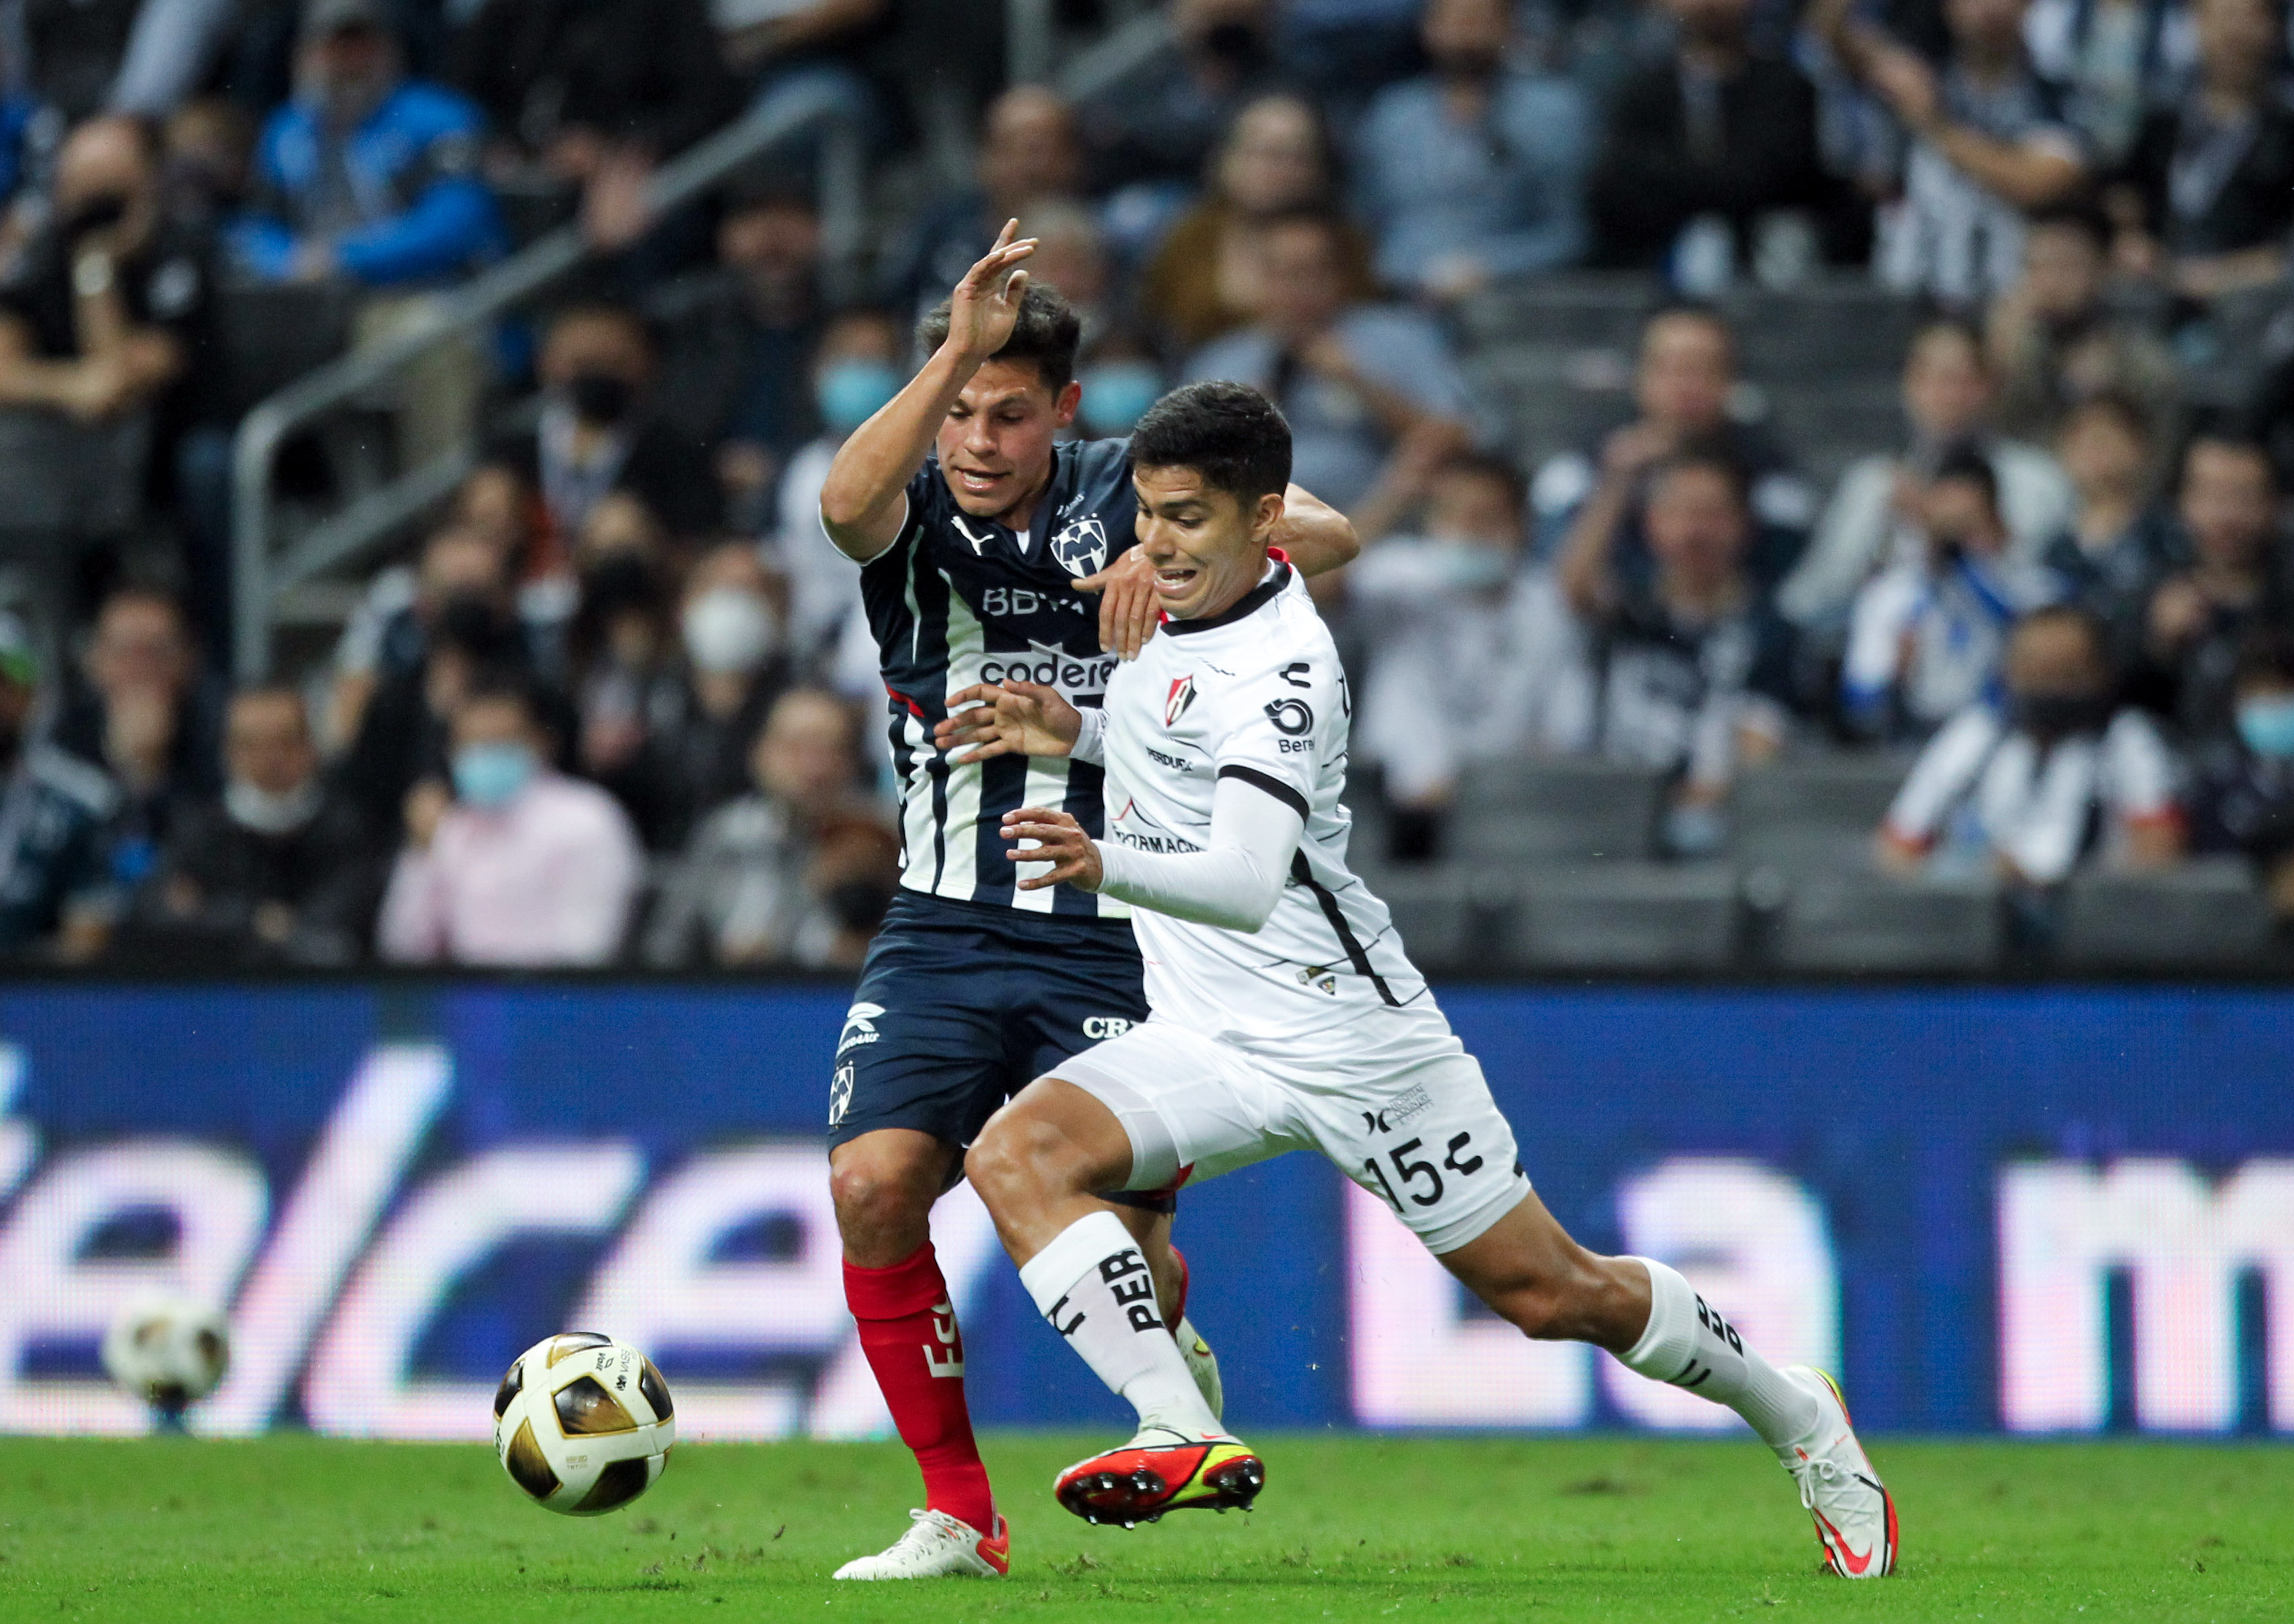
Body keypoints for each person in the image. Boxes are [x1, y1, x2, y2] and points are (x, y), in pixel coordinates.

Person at [939, 380, 1895, 1577]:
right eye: (1146, 515)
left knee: (1551, 1294)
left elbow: (1241, 877)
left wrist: (1095, 860)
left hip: (1350, 1042)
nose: (1155, 545)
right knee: (1012, 1156)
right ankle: (1178, 1424)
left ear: (1266, 517)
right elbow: (1169, 746)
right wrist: (1071, 734)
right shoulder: (1179, 616)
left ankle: (1797, 1413)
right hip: (1204, 1034)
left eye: (1186, 517)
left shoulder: (1284, 669)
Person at [812, 225, 1360, 1580]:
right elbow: (836, 508)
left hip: (1123, 933)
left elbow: (1335, 533)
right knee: (876, 1184)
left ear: (1066, 410)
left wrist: (1185, 558)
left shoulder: (1134, 491)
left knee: (1124, 1250)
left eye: (1010, 411)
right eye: (962, 410)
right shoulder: (909, 505)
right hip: (942, 918)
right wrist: (948, 347)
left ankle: (1164, 1347)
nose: (980, 438)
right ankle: (958, 1511)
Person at [0, 115, 223, 623]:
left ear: (147, 186)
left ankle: (216, 641)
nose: (93, 206)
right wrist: (68, 385)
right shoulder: (41, 256)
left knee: (207, 468)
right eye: (80, 188)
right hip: (66, 454)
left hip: (169, 448)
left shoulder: (179, 250)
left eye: (109, 189)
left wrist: (96, 269)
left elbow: (121, 379)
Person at [1351, 448, 1592, 859]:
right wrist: (1397, 492)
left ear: (1523, 527)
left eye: (1487, 517)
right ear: (1431, 522)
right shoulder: (1397, 576)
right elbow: (1310, 585)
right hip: (1390, 812)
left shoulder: (1548, 608)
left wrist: (1484, 792)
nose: (1468, 530)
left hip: (1501, 821)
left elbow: (1563, 736)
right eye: (1453, 514)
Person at [1561, 445, 1804, 852]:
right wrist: (1617, 484)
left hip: (1714, 818)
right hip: (1612, 810)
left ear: (1744, 525)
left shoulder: (1771, 629)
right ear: (1651, 523)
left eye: (1712, 514)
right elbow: (1574, 586)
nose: (1696, 531)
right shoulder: (1630, 610)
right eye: (1680, 512)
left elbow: (1761, 740)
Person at [1779, 319, 2073, 630]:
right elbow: (1805, 602)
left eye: (1964, 379)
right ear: (1909, 385)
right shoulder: (1872, 484)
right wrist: (1876, 533)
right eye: (1933, 378)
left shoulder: (2036, 479)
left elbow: (2049, 598)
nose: (1948, 395)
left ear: (1990, 386)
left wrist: (1976, 530)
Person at [1183, 207, 1479, 514]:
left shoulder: (1394, 336)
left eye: (1316, 270)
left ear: (1340, 276)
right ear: (1260, 278)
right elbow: (1178, 465)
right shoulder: (1223, 359)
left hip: (1379, 526)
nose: (1301, 286)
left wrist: (1360, 383)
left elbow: (1458, 438)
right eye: (1286, 272)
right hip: (1255, 530)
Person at [1879, 604, 2181, 886]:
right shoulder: (1976, 734)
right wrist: (1967, 875)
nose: (2049, 689)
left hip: (2094, 922)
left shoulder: (2127, 741)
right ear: (2010, 670)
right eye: (2035, 671)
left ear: (2100, 672)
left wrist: (2044, 886)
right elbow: (1898, 848)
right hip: (1977, 918)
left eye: (2067, 673)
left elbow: (2157, 852)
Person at [1820, 0, 2089, 307]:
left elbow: (2039, 183)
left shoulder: (2052, 94)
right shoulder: (1922, 74)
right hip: (1910, 285)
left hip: (2009, 295)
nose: (1991, 7)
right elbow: (1834, 34)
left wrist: (1934, 125)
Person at [1534, 303, 1812, 594]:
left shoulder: (1772, 480)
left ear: (1731, 378)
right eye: (1671, 367)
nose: (1686, 386)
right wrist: (1615, 485)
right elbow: (1555, 587)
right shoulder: (1575, 473)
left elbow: (1788, 591)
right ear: (1639, 374)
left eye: (1704, 368)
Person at [229, 0, 503, 289]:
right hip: (318, 297)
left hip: (433, 294)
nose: (349, 61)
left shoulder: (441, 117)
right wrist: (288, 260)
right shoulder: (285, 130)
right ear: (306, 55)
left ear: (390, 50)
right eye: (335, 47)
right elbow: (251, 226)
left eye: (363, 46)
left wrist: (348, 259)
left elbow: (460, 220)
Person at [377, 674, 642, 964]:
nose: (484, 755)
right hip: (462, 1002)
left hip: (551, 1002)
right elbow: (402, 951)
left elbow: (590, 949)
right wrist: (421, 854)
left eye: (500, 741)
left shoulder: (587, 820)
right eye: (472, 743)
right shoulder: (451, 828)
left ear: (540, 742)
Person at [452, 0, 738, 253]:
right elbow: (458, 94)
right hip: (521, 187)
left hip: (638, 183)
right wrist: (520, 146)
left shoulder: (665, 9)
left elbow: (712, 103)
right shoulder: (517, 13)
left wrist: (613, 150)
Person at [1353, 0, 1591, 299]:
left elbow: (1568, 232)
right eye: (1454, 19)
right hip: (1400, 289)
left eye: (1479, 19)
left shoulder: (1553, 110)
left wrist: (1492, 267)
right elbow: (1365, 222)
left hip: (1514, 294)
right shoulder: (1392, 114)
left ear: (1510, 27)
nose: (1466, 33)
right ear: (1428, 28)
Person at [123, 684, 377, 964]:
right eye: (251, 744)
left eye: (284, 741)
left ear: (309, 746)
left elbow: (343, 925)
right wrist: (255, 922)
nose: (269, 759)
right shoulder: (199, 829)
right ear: (229, 752)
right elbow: (158, 914)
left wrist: (210, 912)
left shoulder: (346, 828)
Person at [642, 686, 896, 966]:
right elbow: (666, 946)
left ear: (852, 763)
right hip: (731, 998)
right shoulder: (725, 835)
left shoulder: (883, 839)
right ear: (761, 754)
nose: (814, 767)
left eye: (830, 750)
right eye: (797, 747)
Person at [1584, 0, 1838, 276]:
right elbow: (1619, 183)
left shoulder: (1786, 87)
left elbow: (1774, 175)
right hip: (1657, 259)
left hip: (1763, 259)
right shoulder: (1642, 92)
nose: (1709, 4)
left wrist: (1680, 181)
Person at [1840, 444, 2062, 739]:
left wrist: (1960, 560)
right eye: (1947, 525)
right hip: (1916, 737)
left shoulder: (2036, 588)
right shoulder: (1892, 593)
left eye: (1969, 524)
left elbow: (2020, 624)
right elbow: (1859, 700)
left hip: (2008, 735)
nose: (1957, 536)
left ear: (1998, 519)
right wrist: (1893, 677)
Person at [479, 303, 723, 566]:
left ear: (647, 362)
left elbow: (697, 548)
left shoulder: (676, 453)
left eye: (612, 364)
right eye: (583, 364)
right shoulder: (511, 451)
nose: (597, 379)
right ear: (545, 362)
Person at [652, 179, 828, 530]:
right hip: (701, 519)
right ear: (724, 238)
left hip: (816, 518)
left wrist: (779, 467)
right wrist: (713, 467)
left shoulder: (847, 327)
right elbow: (664, 438)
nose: (772, 235)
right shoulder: (689, 331)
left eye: (790, 214)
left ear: (819, 230)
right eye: (752, 218)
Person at [1140, 93, 1368, 354]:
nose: (1272, 168)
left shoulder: (1346, 244)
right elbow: (1155, 319)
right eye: (1258, 152)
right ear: (1225, 158)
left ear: (1318, 168)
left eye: (1293, 155)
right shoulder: (1189, 237)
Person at [2105, 0, 2294, 307]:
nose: (2235, 33)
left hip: (2254, 307)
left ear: (2274, 29)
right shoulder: (2162, 116)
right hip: (2156, 293)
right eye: (2223, 16)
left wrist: (2215, 278)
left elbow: (2284, 254)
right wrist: (2131, 235)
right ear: (2197, 23)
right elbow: (2123, 188)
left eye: (2249, 17)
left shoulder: (2285, 134)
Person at [51, 584, 224, 885]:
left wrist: (152, 776)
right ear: (95, 661)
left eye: (156, 653)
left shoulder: (218, 731)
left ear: (187, 660)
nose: (139, 668)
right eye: (123, 652)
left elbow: (218, 841)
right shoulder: (65, 736)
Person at [877, 87, 1083, 330]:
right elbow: (889, 309)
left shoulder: (1102, 233)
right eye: (1011, 148)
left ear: (1073, 157)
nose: (1028, 166)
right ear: (985, 156)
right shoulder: (942, 229)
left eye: (1041, 149)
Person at [768, 307, 903, 670]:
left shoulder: (938, 469)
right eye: (849, 359)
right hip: (812, 645)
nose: (860, 371)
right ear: (819, 372)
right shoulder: (802, 470)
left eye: (874, 361)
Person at [2137, 434, 2293, 743]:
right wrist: (2158, 646)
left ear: (2275, 504)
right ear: (2182, 500)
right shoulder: (2144, 591)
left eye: (2243, 496)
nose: (2226, 515)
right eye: (2211, 495)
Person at [1985, 204, 2181, 445]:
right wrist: (2002, 357)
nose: (2050, 282)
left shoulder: (2140, 361)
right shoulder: (2008, 338)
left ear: (2103, 270)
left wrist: (2106, 393)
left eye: (2066, 266)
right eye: (2036, 267)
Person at [0, 613, 118, 958]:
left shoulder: (84, 801)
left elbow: (87, 942)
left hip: (31, 1003)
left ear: (31, 694)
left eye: (5, 684)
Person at [1078, 0, 1281, 194]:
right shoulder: (1149, 72)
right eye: (1206, 15)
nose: (1217, 30)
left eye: (1231, 16)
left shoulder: (1278, 82)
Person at [2040, 391, 2181, 662]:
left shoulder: (2167, 535)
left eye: (2107, 437)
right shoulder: (2052, 546)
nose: (2094, 449)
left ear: (2141, 447)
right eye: (2080, 438)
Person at [2189, 627, 2294, 922]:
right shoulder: (2213, 788)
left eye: (2287, 691)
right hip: (2227, 936)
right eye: (2262, 691)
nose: (2275, 703)